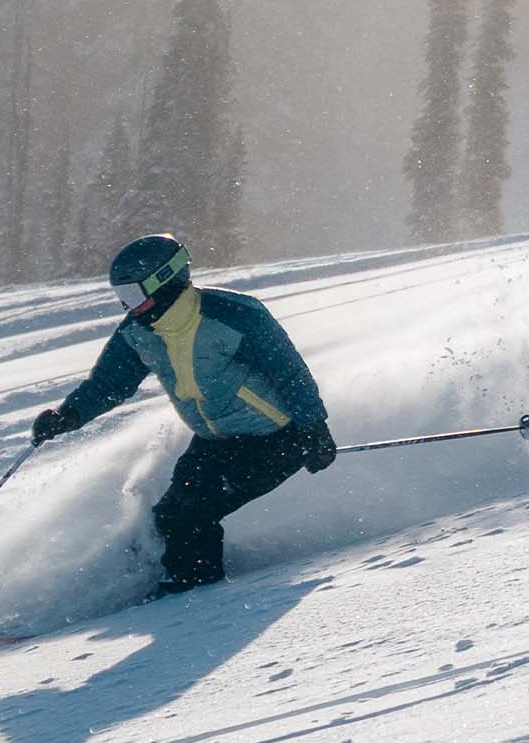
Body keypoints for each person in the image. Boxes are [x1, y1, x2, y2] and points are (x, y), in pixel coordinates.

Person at [33, 234, 337, 595]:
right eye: (121, 297)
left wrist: (314, 428)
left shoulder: (234, 315)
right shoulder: (137, 332)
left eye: (133, 295)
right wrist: (67, 415)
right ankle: (170, 583)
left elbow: (288, 373)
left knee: (192, 513)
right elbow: (109, 383)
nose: (128, 307)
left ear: (163, 281)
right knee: (167, 516)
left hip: (275, 438)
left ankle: (198, 596)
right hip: (213, 441)